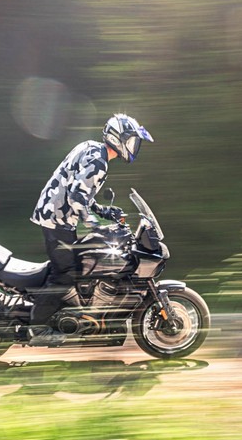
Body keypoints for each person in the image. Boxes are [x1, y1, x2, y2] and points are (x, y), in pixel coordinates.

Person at [28, 113, 154, 340]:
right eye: (133, 141)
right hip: (57, 218)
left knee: (78, 265)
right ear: (119, 139)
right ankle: (36, 327)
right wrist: (93, 223)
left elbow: (79, 189)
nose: (135, 146)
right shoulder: (99, 161)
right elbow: (77, 195)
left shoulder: (92, 148)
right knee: (65, 273)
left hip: (58, 215)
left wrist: (101, 210)